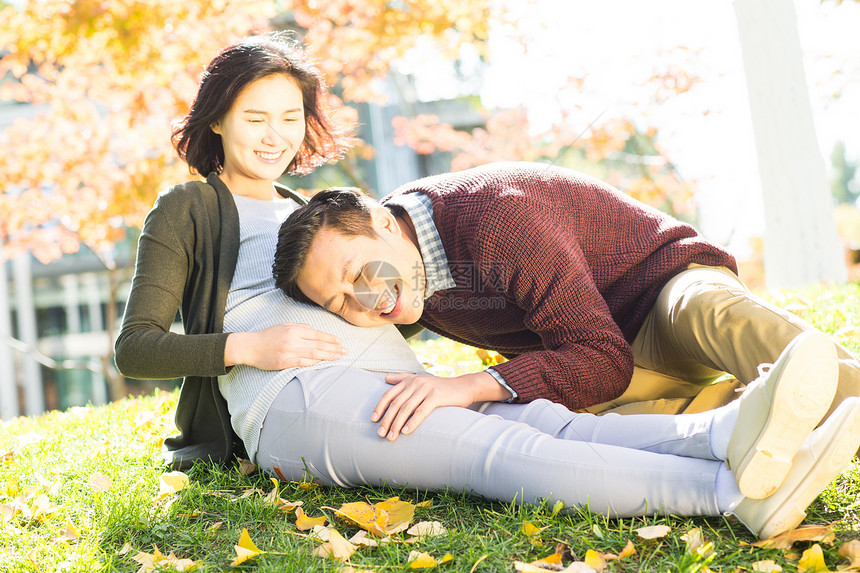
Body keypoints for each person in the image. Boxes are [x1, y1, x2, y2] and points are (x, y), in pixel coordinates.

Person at [115, 35, 859, 541]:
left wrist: (462, 379)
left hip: (466, 357)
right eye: (254, 118)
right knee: (505, 444)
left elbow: (398, 281)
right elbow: (135, 348)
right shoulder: (190, 209)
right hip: (303, 397)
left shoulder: (313, 218)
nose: (273, 135)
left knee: (550, 414)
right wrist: (252, 344)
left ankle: (750, 428)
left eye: (288, 117)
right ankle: (733, 486)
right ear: (215, 119)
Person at [272, 161, 860, 499]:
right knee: (583, 435)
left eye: (356, 273)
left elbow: (602, 355)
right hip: (603, 364)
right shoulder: (404, 283)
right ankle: (761, 430)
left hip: (658, 294)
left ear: (381, 221)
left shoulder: (495, 218)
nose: (365, 301)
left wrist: (471, 385)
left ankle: (843, 392)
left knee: (716, 314)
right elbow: (599, 369)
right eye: (339, 301)